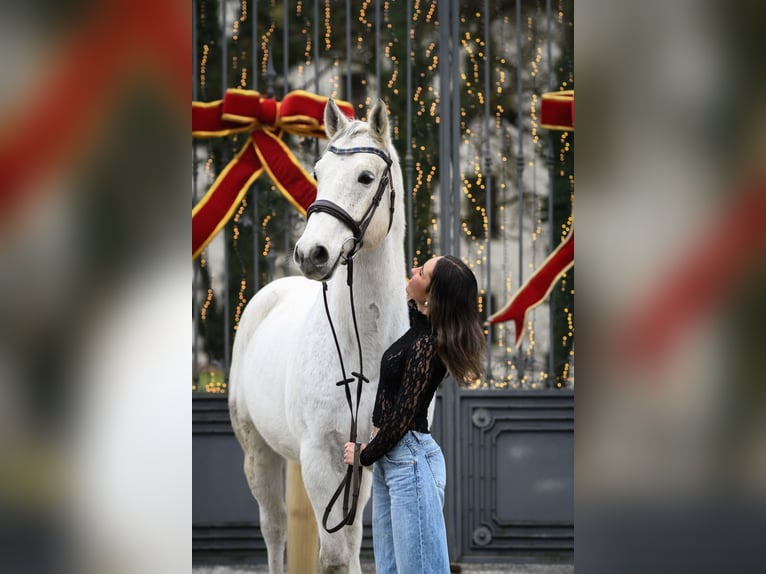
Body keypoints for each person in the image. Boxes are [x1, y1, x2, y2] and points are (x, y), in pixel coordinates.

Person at [343, 255, 486, 573]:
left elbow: (402, 415)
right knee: (391, 569)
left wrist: (365, 455)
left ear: (433, 296)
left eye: (422, 271)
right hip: (392, 462)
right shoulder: (423, 328)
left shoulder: (428, 347)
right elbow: (400, 295)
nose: (413, 270)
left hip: (407, 459)